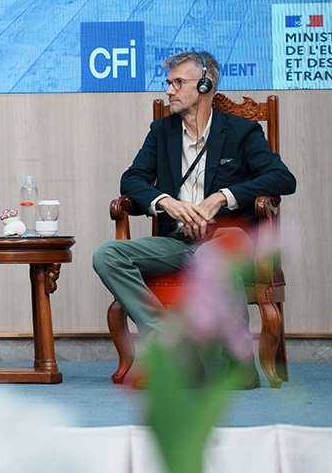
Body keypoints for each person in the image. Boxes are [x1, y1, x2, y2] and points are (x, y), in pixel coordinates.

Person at [92, 51, 296, 388]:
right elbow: (132, 179)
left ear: (205, 85)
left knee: (210, 255)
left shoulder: (242, 131)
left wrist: (222, 197)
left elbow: (282, 179)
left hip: (227, 238)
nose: (168, 91)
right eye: (168, 83)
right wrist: (166, 203)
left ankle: (238, 365)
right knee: (107, 255)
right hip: (177, 241)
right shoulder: (162, 132)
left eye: (178, 83)